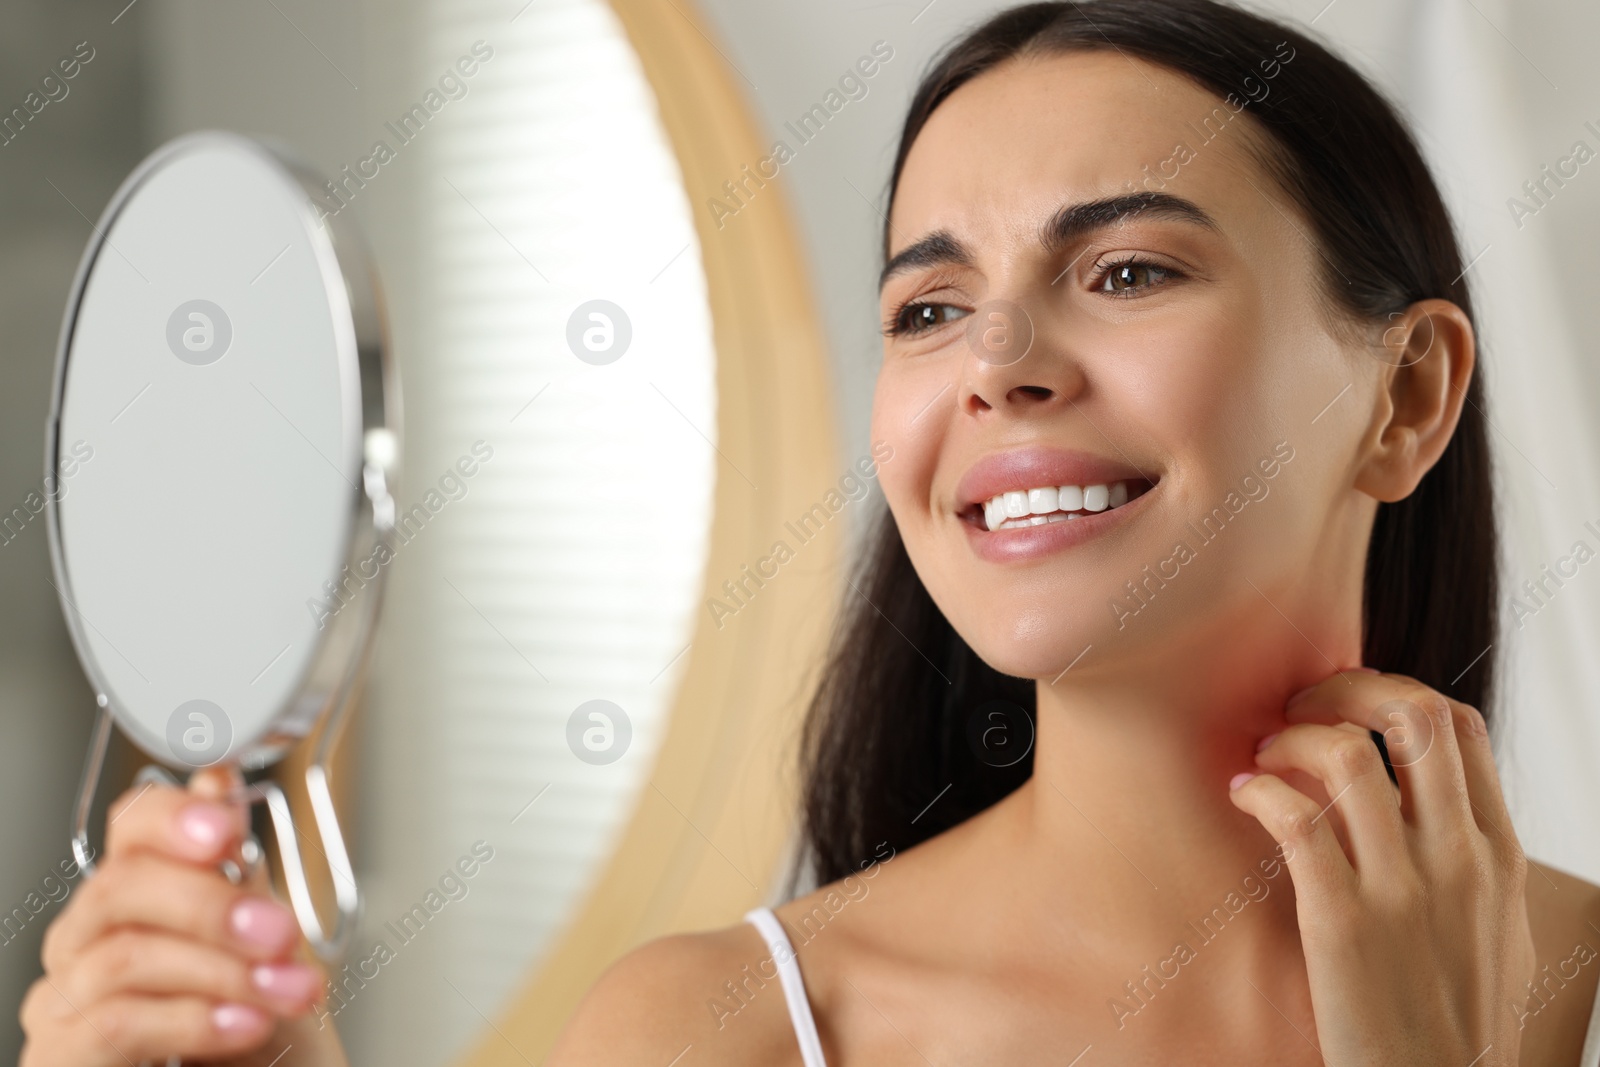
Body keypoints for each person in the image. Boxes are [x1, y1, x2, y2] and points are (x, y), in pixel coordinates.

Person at [21, 1, 1600, 1064]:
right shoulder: (720, 1032)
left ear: (1407, 396)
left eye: (1126, 271)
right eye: (929, 307)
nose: (999, 365)